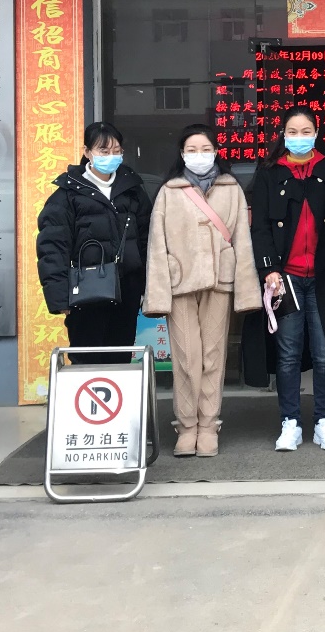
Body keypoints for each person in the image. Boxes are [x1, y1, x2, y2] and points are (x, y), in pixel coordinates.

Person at [143, 124, 259, 458]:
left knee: (213, 356)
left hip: (220, 281)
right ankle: (186, 425)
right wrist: (157, 293)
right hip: (180, 283)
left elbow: (243, 240)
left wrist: (247, 290)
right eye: (192, 150)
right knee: (186, 357)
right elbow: (156, 244)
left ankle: (208, 426)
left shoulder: (231, 189)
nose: (199, 155)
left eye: (205, 149)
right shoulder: (169, 191)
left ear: (216, 152)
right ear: (182, 154)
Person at [250, 106, 325, 453]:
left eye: (306, 131)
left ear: (317, 132)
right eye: (292, 131)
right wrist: (269, 269)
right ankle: (289, 422)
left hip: (324, 277)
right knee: (288, 354)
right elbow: (260, 227)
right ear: (283, 134)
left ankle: (324, 420)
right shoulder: (269, 173)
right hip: (286, 279)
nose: (299, 137)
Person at [37, 122, 151, 365]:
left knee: (120, 358)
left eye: (116, 151)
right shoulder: (67, 195)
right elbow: (52, 248)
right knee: (87, 358)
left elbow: (147, 241)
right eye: (103, 151)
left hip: (127, 290)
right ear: (87, 152)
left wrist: (147, 287)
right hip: (86, 291)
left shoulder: (132, 191)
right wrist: (60, 298)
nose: (111, 157)